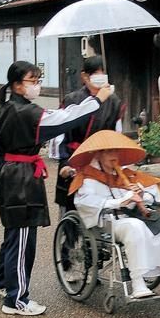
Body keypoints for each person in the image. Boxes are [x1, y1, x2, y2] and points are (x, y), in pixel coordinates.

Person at [0, 60, 113, 316]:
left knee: (13, 236)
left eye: (38, 80)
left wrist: (7, 166)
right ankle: (17, 300)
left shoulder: (7, 109)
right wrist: (97, 100)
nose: (37, 86)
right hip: (21, 181)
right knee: (23, 241)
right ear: (17, 85)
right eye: (32, 81)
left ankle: (1, 282)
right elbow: (65, 119)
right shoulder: (27, 113)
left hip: (11, 176)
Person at [68, 130, 160, 298]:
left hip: (132, 216)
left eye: (116, 152)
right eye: (109, 152)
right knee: (136, 227)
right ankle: (138, 283)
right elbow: (85, 203)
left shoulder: (126, 173)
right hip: (107, 220)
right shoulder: (89, 176)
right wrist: (119, 201)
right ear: (99, 155)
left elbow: (152, 195)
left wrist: (141, 195)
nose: (114, 156)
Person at [55, 55, 124, 215]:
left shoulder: (114, 102)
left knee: (99, 204)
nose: (100, 77)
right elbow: (61, 135)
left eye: (103, 73)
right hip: (74, 158)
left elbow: (116, 135)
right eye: (95, 73)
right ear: (84, 76)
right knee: (71, 206)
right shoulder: (72, 100)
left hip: (100, 161)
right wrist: (65, 162)